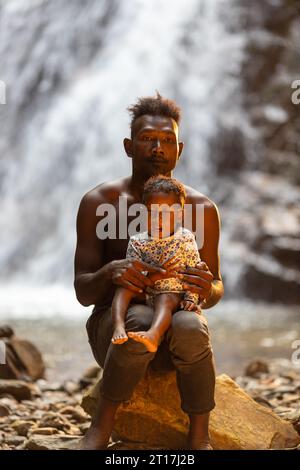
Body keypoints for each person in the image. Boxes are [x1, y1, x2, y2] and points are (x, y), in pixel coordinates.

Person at [74, 92, 224, 450]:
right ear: (128, 147)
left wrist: (207, 288)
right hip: (118, 327)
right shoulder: (100, 203)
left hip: (177, 326)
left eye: (167, 140)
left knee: (191, 326)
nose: (158, 147)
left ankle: (199, 438)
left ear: (180, 149)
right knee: (139, 318)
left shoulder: (202, 209)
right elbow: (82, 292)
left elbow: (216, 286)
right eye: (147, 139)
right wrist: (112, 272)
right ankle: (100, 430)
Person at [111, 174, 202, 353]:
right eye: (152, 212)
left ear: (178, 215)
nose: (158, 219)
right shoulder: (138, 241)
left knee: (165, 298)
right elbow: (134, 275)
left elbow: (195, 272)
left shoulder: (185, 239)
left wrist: (192, 299)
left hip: (173, 295)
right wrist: (157, 276)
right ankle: (118, 326)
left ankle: (153, 334)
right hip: (146, 292)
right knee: (123, 287)